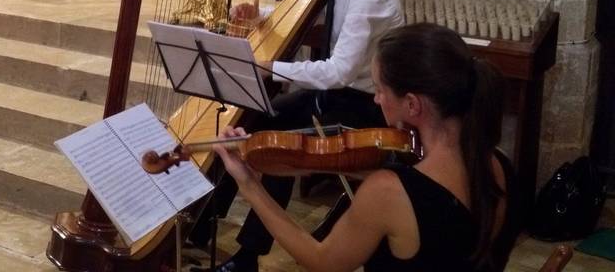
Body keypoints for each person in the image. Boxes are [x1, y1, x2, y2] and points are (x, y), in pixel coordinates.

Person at [194, 0, 405, 272]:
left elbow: (339, 72)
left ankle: (248, 257)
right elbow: (309, 12)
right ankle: (202, 223)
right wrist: (258, 15)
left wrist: (270, 68)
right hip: (334, 96)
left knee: (277, 143)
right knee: (247, 121)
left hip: (366, 106)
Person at [213, 23, 520, 272]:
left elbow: (322, 261)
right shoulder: (499, 164)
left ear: (412, 104)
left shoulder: (387, 192)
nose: (375, 99)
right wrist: (310, 161)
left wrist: (250, 185)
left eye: (379, 89)